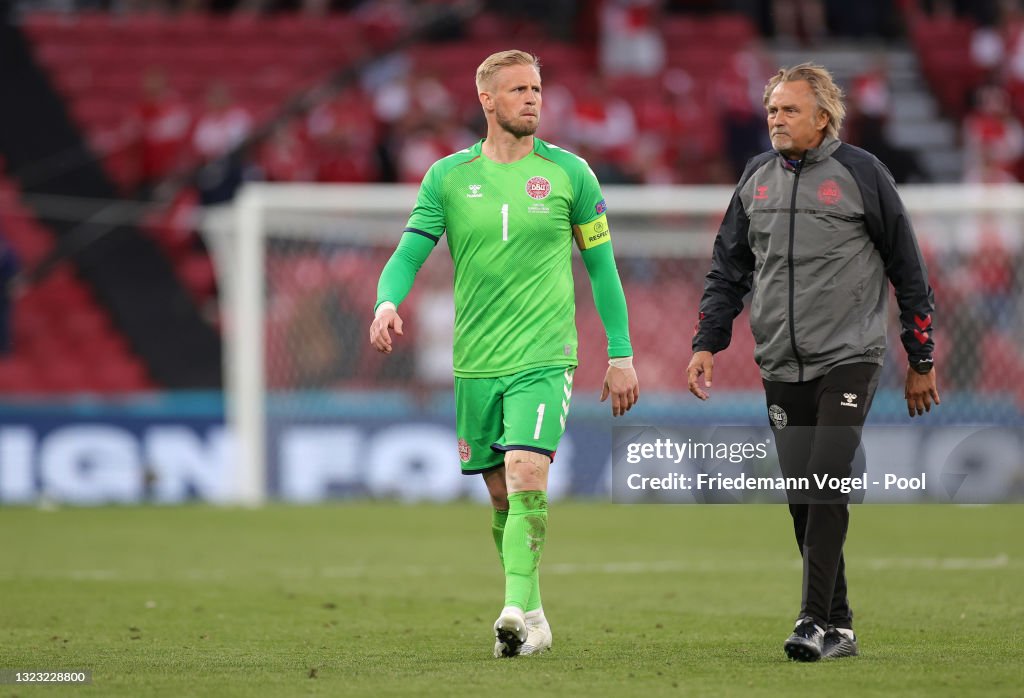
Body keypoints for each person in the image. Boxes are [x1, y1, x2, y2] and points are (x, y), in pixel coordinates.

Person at [370, 49, 640, 658]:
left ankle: (513, 608)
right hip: (475, 361)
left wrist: (620, 354)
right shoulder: (446, 177)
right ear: (486, 100)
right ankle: (536, 614)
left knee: (526, 471)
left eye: (537, 88)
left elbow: (602, 270)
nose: (532, 99)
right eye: (517, 89)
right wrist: (387, 302)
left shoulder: (572, 174)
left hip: (545, 355)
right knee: (500, 495)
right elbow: (410, 251)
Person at [685, 63, 939, 662]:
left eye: (789, 109)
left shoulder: (862, 173)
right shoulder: (756, 177)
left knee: (826, 478)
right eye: (772, 109)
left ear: (823, 118)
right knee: (805, 494)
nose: (775, 118)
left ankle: (809, 620)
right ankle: (841, 625)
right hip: (779, 359)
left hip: (849, 354)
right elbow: (728, 267)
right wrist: (706, 342)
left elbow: (908, 267)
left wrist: (920, 356)